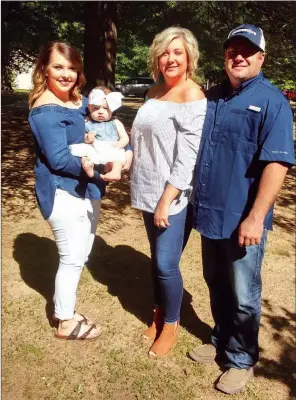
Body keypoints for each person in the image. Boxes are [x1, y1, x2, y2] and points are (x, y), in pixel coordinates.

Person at [189, 24, 295, 394]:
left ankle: (241, 357)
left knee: (245, 295)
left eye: (247, 50)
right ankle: (220, 337)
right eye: (233, 49)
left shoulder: (272, 101)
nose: (239, 56)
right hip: (208, 214)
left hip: (242, 220)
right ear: (225, 55)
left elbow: (276, 165)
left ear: (261, 58)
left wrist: (255, 216)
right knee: (215, 283)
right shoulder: (213, 96)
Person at [28, 42, 132, 341]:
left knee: (82, 250)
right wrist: (102, 166)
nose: (66, 74)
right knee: (72, 257)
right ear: (44, 69)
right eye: (58, 67)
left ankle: (67, 311)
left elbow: (101, 125)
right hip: (63, 192)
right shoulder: (45, 110)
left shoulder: (75, 101)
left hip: (85, 188)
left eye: (72, 68)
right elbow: (59, 159)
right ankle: (65, 319)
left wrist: (114, 148)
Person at [130, 27, 207, 359]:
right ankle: (159, 311)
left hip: (172, 197)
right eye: (165, 52)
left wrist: (166, 200)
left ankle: (172, 325)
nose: (171, 58)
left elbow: (187, 158)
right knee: (155, 257)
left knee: (165, 263)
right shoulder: (153, 92)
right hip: (146, 188)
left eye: (178, 52)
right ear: (156, 58)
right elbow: (142, 140)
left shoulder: (193, 96)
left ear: (189, 56)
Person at [70, 86, 129, 182]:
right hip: (95, 147)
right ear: (89, 108)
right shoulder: (87, 122)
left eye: (105, 108)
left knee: (118, 155)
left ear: (112, 109)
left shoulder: (115, 122)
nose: (101, 112)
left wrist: (117, 146)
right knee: (83, 150)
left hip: (112, 146)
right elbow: (82, 136)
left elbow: (125, 138)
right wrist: (87, 138)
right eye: (96, 108)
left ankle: (116, 171)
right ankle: (90, 168)